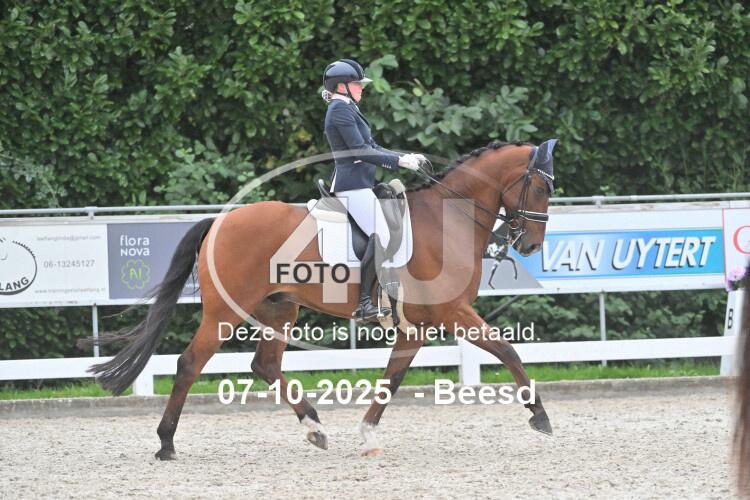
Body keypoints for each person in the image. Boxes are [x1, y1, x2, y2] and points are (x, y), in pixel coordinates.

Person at [322, 58, 423, 321]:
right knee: (382, 235)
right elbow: (359, 150)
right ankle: (364, 303)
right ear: (341, 86)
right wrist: (398, 162)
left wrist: (403, 156)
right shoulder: (339, 110)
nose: (362, 88)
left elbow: (373, 147)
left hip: (361, 183)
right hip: (352, 186)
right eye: (357, 84)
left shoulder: (348, 108)